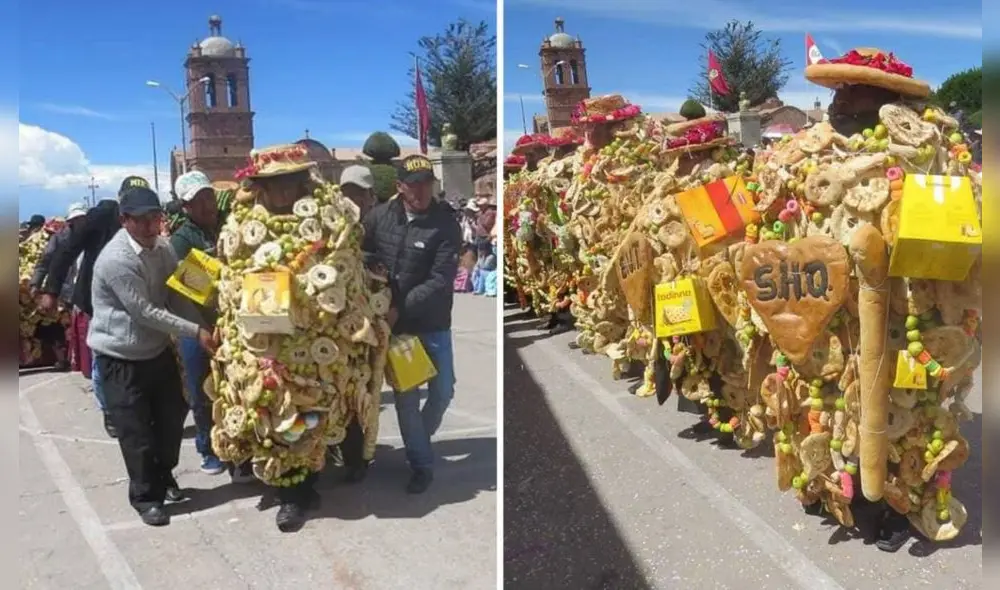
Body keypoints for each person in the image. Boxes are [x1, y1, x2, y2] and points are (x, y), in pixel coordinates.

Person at [88, 185, 215, 527]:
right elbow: (144, 311)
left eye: (155, 218)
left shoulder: (162, 249)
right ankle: (146, 498)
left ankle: (164, 475)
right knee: (137, 432)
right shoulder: (116, 259)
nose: (149, 226)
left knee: (173, 420)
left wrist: (205, 323)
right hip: (120, 357)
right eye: (141, 220)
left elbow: (177, 293)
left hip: (156, 352)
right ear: (124, 220)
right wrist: (195, 332)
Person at [362, 154, 461, 494]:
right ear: (400, 187)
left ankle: (418, 439)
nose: (421, 191)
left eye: (426, 184)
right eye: (414, 184)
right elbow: (360, 253)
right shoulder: (378, 218)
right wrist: (373, 270)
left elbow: (440, 279)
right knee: (406, 397)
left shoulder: (446, 223)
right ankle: (421, 463)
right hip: (399, 329)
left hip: (432, 322)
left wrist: (398, 308)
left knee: (443, 390)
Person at [40, 176, 152, 438]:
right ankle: (109, 411)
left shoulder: (151, 222)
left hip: (132, 296)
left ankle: (140, 405)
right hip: (97, 297)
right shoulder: (101, 216)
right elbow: (67, 250)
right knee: (104, 356)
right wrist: (51, 290)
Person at [168, 171, 224, 476]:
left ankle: (234, 446)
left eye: (208, 197)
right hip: (196, 325)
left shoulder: (227, 226)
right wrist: (203, 329)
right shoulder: (181, 240)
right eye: (197, 201)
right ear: (185, 207)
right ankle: (208, 448)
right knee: (201, 389)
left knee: (231, 387)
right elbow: (191, 291)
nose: (206, 205)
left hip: (227, 322)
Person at [30, 204, 88, 371]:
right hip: (66, 288)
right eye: (75, 220)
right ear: (70, 222)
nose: (79, 223)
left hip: (87, 287)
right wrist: (36, 283)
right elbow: (45, 261)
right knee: (64, 325)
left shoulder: (94, 235)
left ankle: (81, 360)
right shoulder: (60, 238)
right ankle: (69, 359)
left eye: (82, 219)